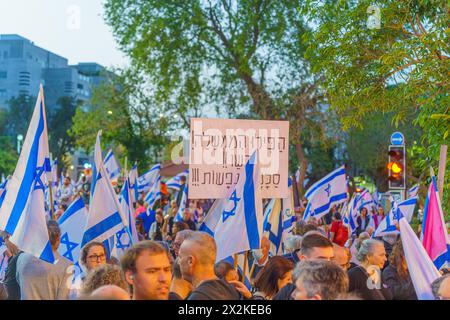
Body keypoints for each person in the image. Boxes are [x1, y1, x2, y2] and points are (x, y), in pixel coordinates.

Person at [16, 220, 73, 300]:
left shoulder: (22, 258)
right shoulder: (66, 265)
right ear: (58, 238)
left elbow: (19, 281)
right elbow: (63, 297)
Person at [178, 232, 240, 300]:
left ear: (190, 261)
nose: (178, 262)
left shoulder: (198, 298)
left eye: (180, 257)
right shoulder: (232, 290)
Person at [274, 233, 334, 300]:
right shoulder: (287, 293)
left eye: (331, 259)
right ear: (303, 260)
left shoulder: (338, 289)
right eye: (321, 259)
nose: (329, 264)